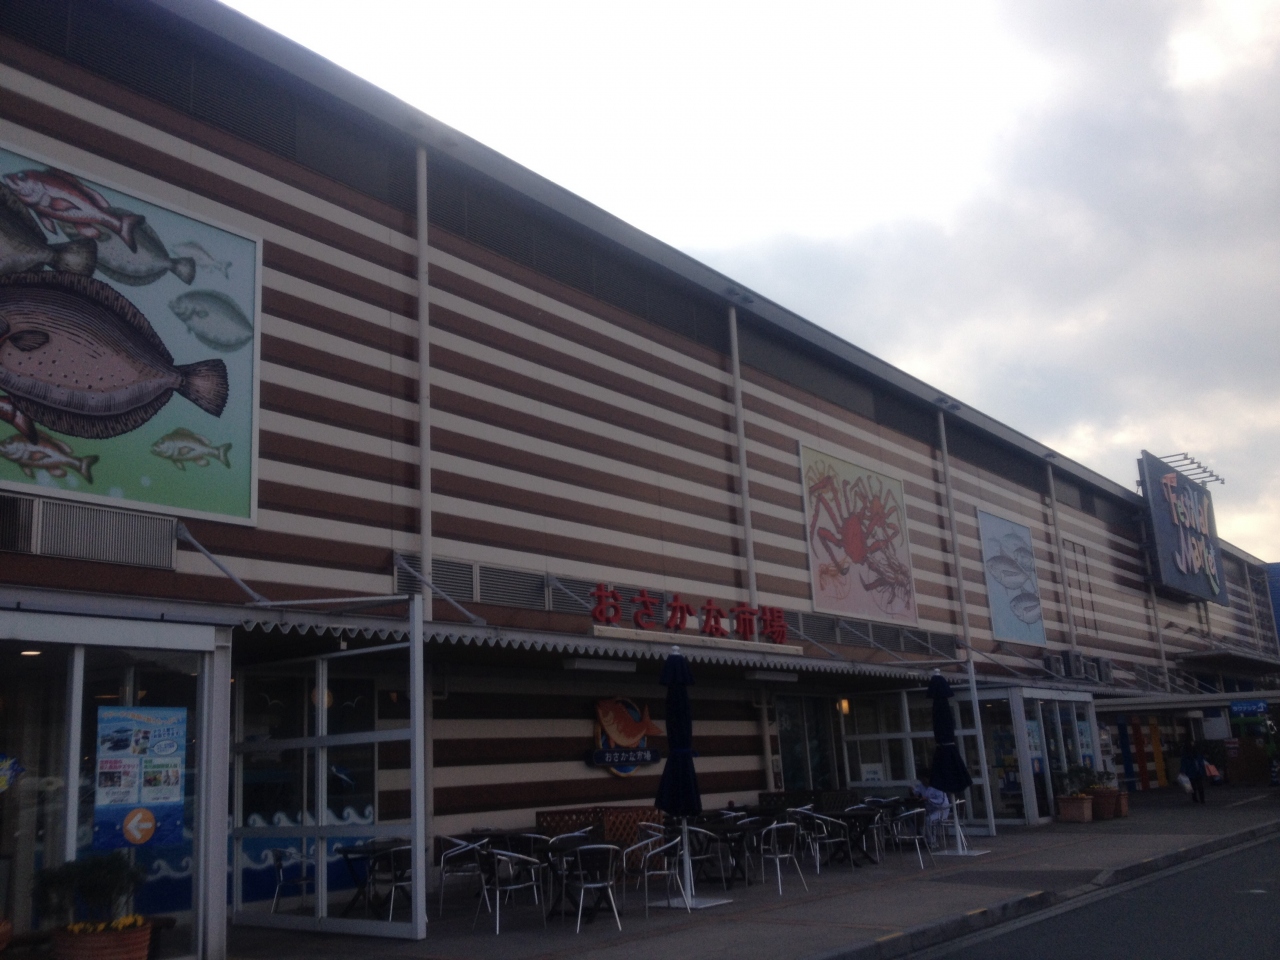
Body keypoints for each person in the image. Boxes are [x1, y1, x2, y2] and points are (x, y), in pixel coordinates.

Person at [911, 778, 950, 846]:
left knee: (928, 819)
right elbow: (916, 792)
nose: (924, 781)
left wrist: (928, 800)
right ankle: (925, 839)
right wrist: (912, 792)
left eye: (925, 779)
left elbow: (941, 802)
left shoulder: (938, 787)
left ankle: (932, 841)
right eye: (922, 780)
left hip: (941, 810)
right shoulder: (922, 785)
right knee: (915, 817)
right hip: (929, 810)